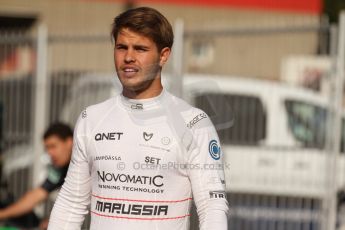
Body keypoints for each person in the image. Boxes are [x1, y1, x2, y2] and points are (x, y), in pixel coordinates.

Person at [48, 7, 229, 230]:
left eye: (140, 49)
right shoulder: (91, 118)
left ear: (163, 56)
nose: (128, 57)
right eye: (121, 47)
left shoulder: (194, 123)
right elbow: (71, 203)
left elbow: (212, 206)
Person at [0, 123, 73, 229]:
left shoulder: (89, 164)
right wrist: (3, 214)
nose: (50, 153)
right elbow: (36, 195)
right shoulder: (60, 169)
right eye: (47, 148)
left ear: (69, 142)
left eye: (53, 146)